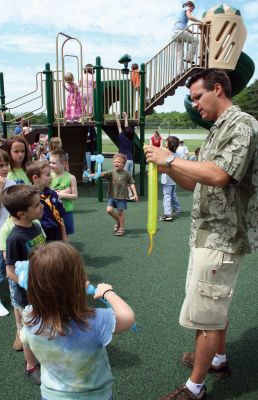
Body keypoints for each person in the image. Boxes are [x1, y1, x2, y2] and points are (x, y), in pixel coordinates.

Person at [145, 68, 258, 400]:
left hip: (223, 234)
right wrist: (167, 165)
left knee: (207, 314)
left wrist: (170, 158)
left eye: (197, 97)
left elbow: (220, 174)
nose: (194, 105)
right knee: (211, 304)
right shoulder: (217, 129)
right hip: (207, 232)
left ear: (218, 89)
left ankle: (195, 388)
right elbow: (194, 181)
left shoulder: (241, 125)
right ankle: (217, 359)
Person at [20, 241, 135, 400]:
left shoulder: (29, 318)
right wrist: (108, 292)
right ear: (77, 285)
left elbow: (24, 340)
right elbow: (128, 317)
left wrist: (31, 364)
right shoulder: (96, 321)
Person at [3, 184, 46, 385]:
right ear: (22, 213)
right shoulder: (14, 238)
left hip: (44, 289)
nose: (42, 206)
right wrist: (27, 283)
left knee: (44, 323)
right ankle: (30, 365)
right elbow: (9, 270)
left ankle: (45, 355)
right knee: (28, 331)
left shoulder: (36, 227)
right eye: (37, 205)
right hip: (26, 295)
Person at [0, 148, 16, 317]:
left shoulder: (12, 184)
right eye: (0, 165)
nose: (5, 168)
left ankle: (18, 294)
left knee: (14, 266)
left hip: (12, 234)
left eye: (7, 164)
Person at [26, 160, 67, 241]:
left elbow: (60, 217)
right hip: (39, 234)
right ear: (35, 178)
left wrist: (64, 236)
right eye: (48, 175)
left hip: (56, 233)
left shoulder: (53, 194)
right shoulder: (28, 198)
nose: (51, 177)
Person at [99, 153, 138, 236]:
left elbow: (132, 183)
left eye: (118, 162)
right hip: (112, 196)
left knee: (120, 212)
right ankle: (118, 221)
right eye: (115, 162)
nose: (116, 163)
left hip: (122, 197)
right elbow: (103, 174)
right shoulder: (111, 172)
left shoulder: (126, 174)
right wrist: (98, 173)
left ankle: (122, 228)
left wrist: (135, 194)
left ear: (123, 164)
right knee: (109, 210)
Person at [50, 150, 78, 235]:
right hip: (52, 210)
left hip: (66, 210)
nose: (51, 165)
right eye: (50, 162)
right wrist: (62, 193)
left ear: (64, 163)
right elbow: (47, 193)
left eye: (54, 163)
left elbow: (75, 196)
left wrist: (58, 194)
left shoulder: (71, 177)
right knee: (54, 234)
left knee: (65, 234)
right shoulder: (49, 175)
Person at [171, 2, 203, 76]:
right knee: (196, 40)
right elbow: (190, 17)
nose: (192, 11)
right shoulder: (186, 9)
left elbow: (182, 25)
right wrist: (200, 22)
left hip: (174, 33)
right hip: (180, 32)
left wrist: (191, 32)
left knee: (180, 54)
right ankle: (189, 58)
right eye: (192, 9)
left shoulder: (181, 11)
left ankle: (180, 72)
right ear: (190, 6)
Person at [158, 136, 181, 222]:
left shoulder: (166, 154)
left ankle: (167, 214)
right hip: (174, 179)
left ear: (169, 144)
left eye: (166, 141)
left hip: (167, 180)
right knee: (172, 194)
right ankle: (177, 208)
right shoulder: (177, 154)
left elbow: (163, 161)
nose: (165, 142)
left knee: (167, 196)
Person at [115, 111, 134, 199]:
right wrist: (125, 117)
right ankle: (130, 194)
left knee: (122, 178)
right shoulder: (130, 138)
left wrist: (116, 116)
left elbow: (119, 126)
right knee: (129, 179)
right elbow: (126, 128)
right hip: (131, 160)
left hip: (125, 161)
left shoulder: (122, 137)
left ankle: (123, 195)